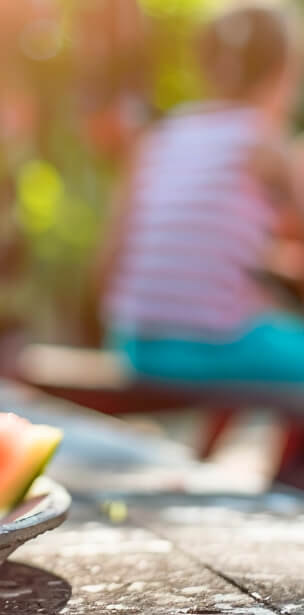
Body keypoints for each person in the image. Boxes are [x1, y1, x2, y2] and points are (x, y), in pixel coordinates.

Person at [101, 2, 304, 386]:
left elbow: (108, 261)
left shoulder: (160, 137)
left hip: (135, 345)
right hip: (215, 347)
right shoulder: (262, 140)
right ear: (283, 73)